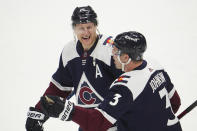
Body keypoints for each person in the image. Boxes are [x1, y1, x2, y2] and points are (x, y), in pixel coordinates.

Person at [40, 31, 182, 131]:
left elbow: (98, 123)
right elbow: (175, 102)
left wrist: (67, 110)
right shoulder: (155, 65)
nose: (112, 55)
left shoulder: (125, 87)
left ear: (126, 57)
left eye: (115, 52)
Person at [25, 5, 122, 131]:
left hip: (114, 125)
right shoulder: (69, 51)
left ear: (96, 26)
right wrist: (39, 113)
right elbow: (59, 88)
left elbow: (128, 87)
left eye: (89, 27)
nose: (86, 32)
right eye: (81, 28)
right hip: (86, 124)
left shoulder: (110, 49)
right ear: (74, 29)